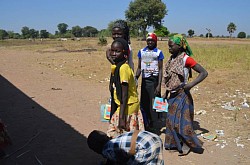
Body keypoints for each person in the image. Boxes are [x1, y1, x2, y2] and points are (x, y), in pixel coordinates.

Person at [162, 34, 208, 156]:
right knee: (171, 122)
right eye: (168, 46)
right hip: (172, 95)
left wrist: (191, 84)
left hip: (182, 95)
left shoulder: (186, 59)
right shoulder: (171, 59)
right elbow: (169, 79)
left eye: (171, 46)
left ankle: (188, 145)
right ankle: (174, 144)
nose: (169, 48)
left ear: (180, 46)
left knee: (182, 124)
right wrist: (165, 92)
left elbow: (204, 73)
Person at [107, 38, 144, 138]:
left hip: (128, 106)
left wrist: (122, 118)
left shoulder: (123, 68)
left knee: (120, 134)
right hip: (126, 105)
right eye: (112, 51)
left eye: (117, 51)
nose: (114, 54)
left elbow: (124, 94)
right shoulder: (117, 66)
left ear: (125, 54)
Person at [135, 33, 164, 131]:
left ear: (156, 41)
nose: (150, 42)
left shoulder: (159, 53)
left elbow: (160, 69)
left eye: (152, 40)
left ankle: (155, 123)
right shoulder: (141, 52)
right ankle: (146, 122)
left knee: (155, 102)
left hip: (154, 81)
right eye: (148, 40)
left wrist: (159, 85)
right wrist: (135, 78)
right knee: (144, 101)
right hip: (145, 80)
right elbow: (139, 67)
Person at [106, 20, 134, 121]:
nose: (116, 36)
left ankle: (121, 122)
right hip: (117, 76)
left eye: (119, 33)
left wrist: (110, 59)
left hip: (124, 77)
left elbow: (124, 65)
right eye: (114, 34)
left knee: (123, 100)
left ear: (124, 34)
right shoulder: (115, 45)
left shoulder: (126, 47)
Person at [87, 130, 164, 165]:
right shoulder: (116, 140)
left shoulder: (107, 150)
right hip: (154, 138)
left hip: (145, 145)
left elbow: (120, 161)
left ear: (96, 148)